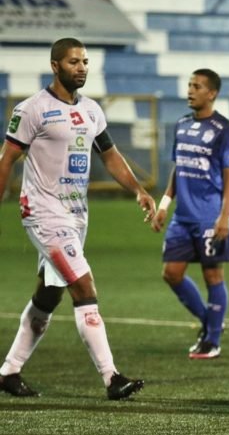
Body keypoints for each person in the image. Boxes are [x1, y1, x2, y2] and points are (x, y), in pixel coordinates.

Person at [0, 37, 155, 399]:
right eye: (73, 62)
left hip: (76, 215)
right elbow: (7, 159)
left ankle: (8, 371)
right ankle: (112, 377)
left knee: (49, 293)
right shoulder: (32, 109)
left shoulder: (92, 110)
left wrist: (138, 190)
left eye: (85, 61)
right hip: (43, 214)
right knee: (83, 287)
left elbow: (111, 156)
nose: (82, 67)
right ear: (55, 66)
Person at [151, 69, 229, 359]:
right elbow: (179, 167)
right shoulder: (181, 124)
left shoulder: (224, 129)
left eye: (197, 86)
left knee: (213, 275)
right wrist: (165, 204)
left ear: (211, 93)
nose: (190, 90)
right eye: (189, 85)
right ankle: (211, 322)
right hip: (183, 215)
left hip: (210, 215)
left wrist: (224, 215)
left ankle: (212, 340)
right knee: (171, 273)